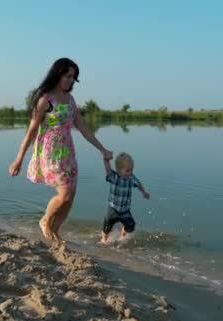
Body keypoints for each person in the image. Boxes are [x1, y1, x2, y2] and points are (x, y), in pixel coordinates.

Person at [8, 57, 113, 241]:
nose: (71, 80)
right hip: (50, 153)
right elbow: (31, 131)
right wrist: (19, 159)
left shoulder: (70, 99)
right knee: (64, 194)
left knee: (71, 195)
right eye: (68, 76)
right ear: (58, 75)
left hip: (68, 152)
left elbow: (82, 127)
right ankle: (45, 221)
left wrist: (102, 149)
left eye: (74, 77)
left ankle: (55, 231)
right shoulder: (45, 100)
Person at [101, 152, 150, 243]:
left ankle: (122, 235)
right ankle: (104, 239)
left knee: (131, 226)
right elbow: (107, 169)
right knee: (107, 226)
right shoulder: (114, 177)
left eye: (131, 170)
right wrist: (106, 160)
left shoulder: (131, 178)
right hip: (113, 209)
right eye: (127, 171)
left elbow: (138, 183)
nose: (130, 173)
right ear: (119, 170)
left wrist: (144, 192)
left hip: (125, 210)